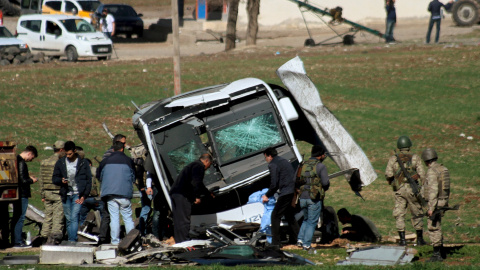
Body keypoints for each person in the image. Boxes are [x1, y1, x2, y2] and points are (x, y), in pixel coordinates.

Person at [385, 135, 426, 246]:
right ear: (409, 146)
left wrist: (393, 180)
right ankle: (420, 239)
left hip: (399, 189)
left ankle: (402, 240)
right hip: (413, 189)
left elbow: (388, 174)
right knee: (417, 212)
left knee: (399, 214)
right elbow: (422, 174)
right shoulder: (415, 157)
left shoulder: (393, 158)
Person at [97, 141, 136, 245]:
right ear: (122, 149)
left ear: (113, 149)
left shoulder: (105, 161)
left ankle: (115, 242)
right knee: (127, 217)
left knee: (114, 218)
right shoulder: (128, 161)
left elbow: (99, 175)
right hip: (125, 193)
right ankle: (131, 241)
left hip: (110, 194)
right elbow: (133, 176)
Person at [52, 141, 92, 243]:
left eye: (70, 154)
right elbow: (54, 178)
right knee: (69, 218)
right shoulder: (60, 162)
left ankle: (72, 240)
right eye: (66, 154)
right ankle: (71, 239)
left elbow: (88, 180)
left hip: (78, 194)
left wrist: (84, 196)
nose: (68, 156)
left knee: (74, 217)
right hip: (66, 194)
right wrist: (61, 181)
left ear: (74, 151)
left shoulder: (83, 163)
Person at [170, 154, 214, 243]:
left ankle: (179, 241)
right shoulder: (199, 166)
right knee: (184, 220)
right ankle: (185, 242)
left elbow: (199, 184)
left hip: (175, 193)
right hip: (183, 195)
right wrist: (196, 197)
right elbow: (196, 183)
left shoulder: (192, 165)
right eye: (210, 164)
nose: (208, 168)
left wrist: (208, 193)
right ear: (206, 161)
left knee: (178, 219)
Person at [262, 147, 299, 249]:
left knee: (275, 216)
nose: (266, 160)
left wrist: (267, 195)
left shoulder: (273, 164)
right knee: (290, 216)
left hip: (285, 192)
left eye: (265, 157)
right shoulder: (284, 161)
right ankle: (296, 239)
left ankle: (276, 242)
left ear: (269, 156)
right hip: (292, 191)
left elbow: (274, 184)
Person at [296, 145, 330, 250]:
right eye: (324, 154)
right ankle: (306, 244)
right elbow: (325, 183)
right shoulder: (320, 166)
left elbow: (295, 180)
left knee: (305, 220)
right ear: (320, 155)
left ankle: (300, 240)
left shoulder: (302, 165)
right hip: (314, 198)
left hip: (302, 197)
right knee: (312, 222)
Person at [421, 148, 450, 262]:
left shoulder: (432, 171)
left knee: (433, 227)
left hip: (436, 202)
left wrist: (431, 208)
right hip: (443, 200)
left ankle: (436, 254)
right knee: (437, 224)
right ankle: (441, 251)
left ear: (426, 161)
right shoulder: (443, 169)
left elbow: (433, 190)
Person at [98, 134, 126, 244]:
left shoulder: (109, 155)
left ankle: (105, 237)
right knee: (108, 215)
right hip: (110, 189)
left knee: (108, 215)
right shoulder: (110, 156)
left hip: (108, 188)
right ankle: (104, 238)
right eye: (123, 143)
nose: (125, 145)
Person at [12, 146, 38, 248]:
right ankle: (18, 241)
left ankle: (15, 240)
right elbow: (23, 181)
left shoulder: (15, 160)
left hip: (17, 193)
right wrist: (32, 180)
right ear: (29, 153)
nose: (31, 160)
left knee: (16, 217)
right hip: (22, 194)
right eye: (32, 157)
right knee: (20, 218)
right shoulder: (22, 163)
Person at [40, 141, 65, 245]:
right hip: (57, 192)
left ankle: (44, 236)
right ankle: (55, 238)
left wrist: (42, 194)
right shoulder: (60, 162)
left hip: (47, 192)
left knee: (48, 216)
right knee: (58, 217)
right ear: (61, 150)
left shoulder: (44, 162)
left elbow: (41, 179)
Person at [78, 158, 104, 227]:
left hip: (82, 198)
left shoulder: (78, 171)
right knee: (103, 216)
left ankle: (81, 232)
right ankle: (103, 232)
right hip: (95, 198)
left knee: (82, 217)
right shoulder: (94, 170)